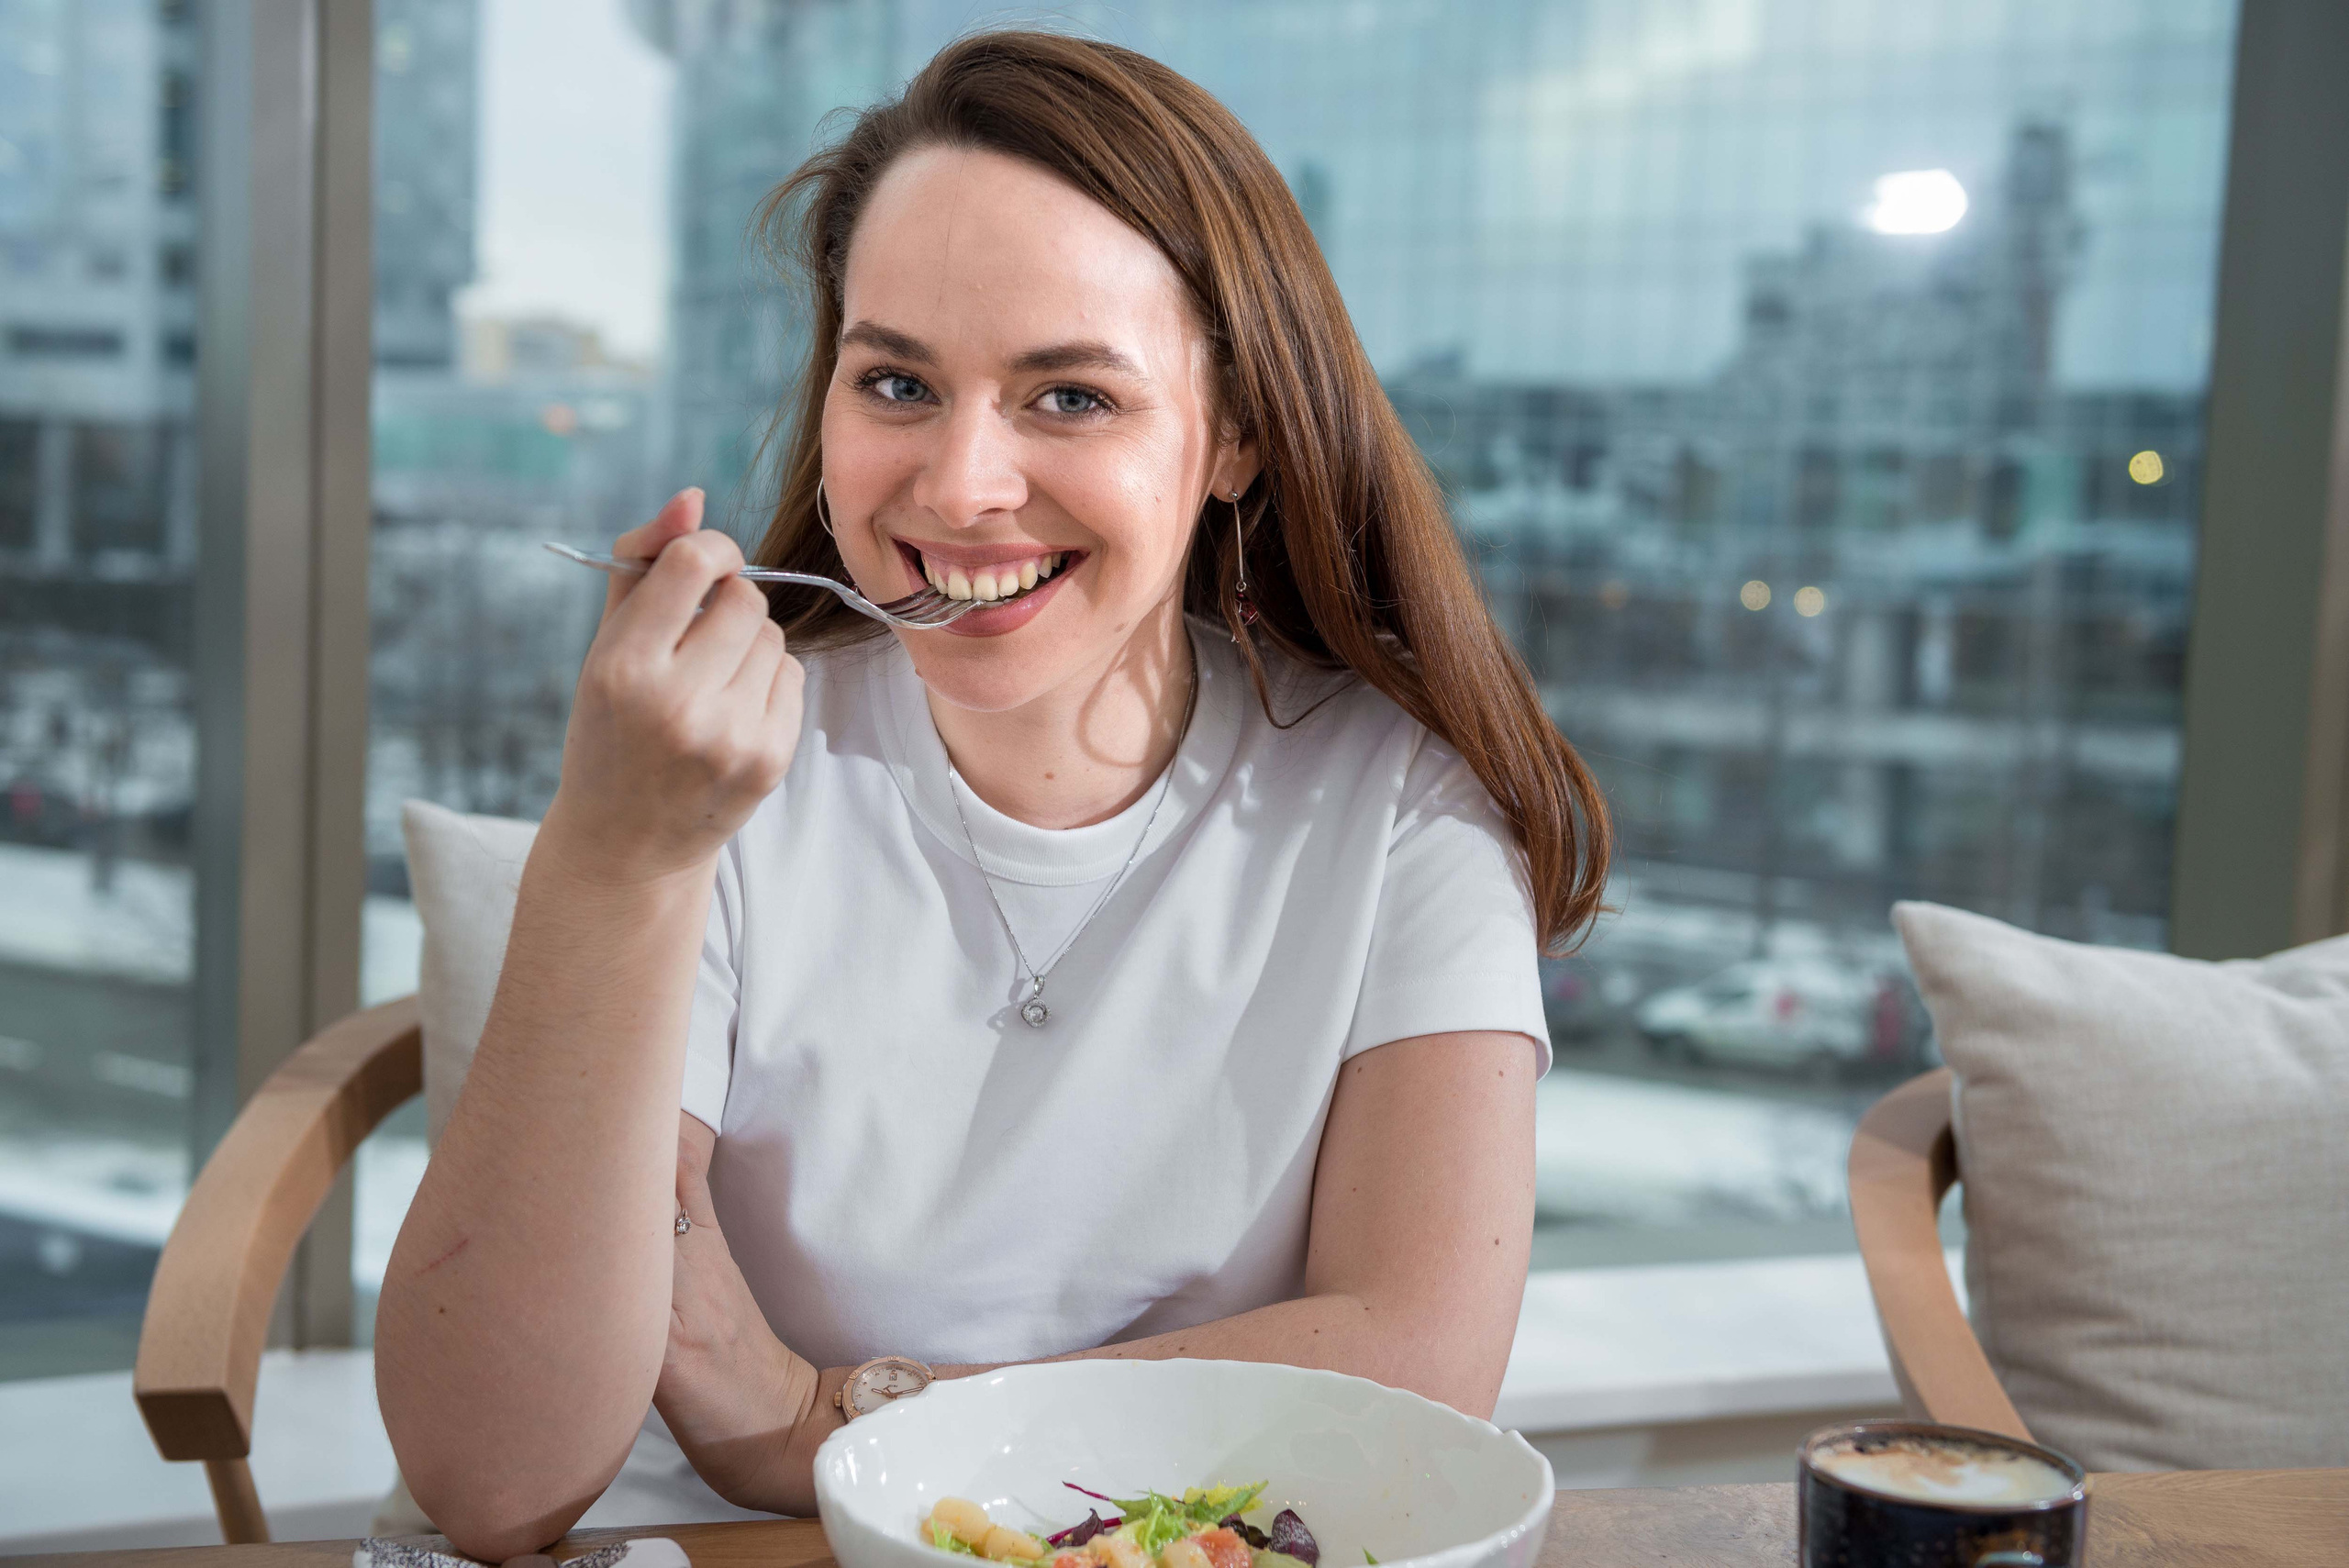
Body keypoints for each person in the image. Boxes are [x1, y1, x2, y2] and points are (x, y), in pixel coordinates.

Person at [377, 31, 1609, 1558]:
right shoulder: (716, 777)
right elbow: (490, 1480)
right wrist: (614, 862)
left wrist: (825, 1417)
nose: (959, 487)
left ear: (1231, 434)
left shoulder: (1403, 804)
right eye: (897, 379)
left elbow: (1414, 1369)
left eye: (1071, 397)